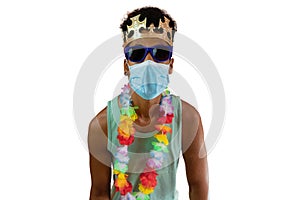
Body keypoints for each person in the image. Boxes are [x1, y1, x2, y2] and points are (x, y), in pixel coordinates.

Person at [88, 6, 208, 200]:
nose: (149, 62)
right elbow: (99, 192)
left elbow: (198, 186)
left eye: (160, 53)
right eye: (137, 54)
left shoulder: (187, 118)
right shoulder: (101, 125)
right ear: (126, 66)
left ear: (170, 65)